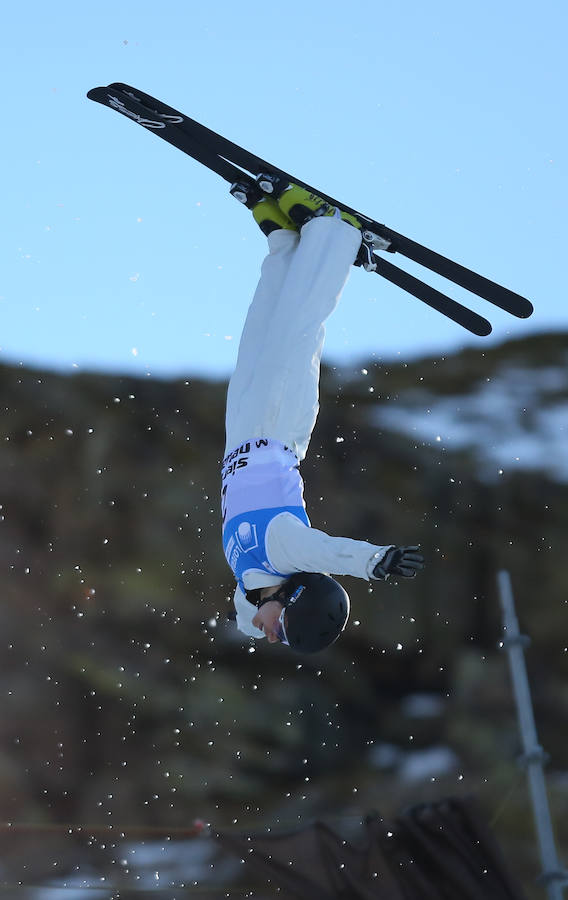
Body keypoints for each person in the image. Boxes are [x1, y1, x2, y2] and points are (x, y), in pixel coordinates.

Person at [222, 184, 424, 653]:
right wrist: (376, 561)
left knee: (259, 333)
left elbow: (248, 617)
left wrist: (264, 614)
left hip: (240, 435)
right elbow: (331, 552)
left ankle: (285, 242)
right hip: (277, 427)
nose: (272, 633)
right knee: (297, 328)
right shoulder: (285, 549)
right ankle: (333, 235)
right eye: (284, 629)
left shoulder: (248, 585)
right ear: (297, 599)